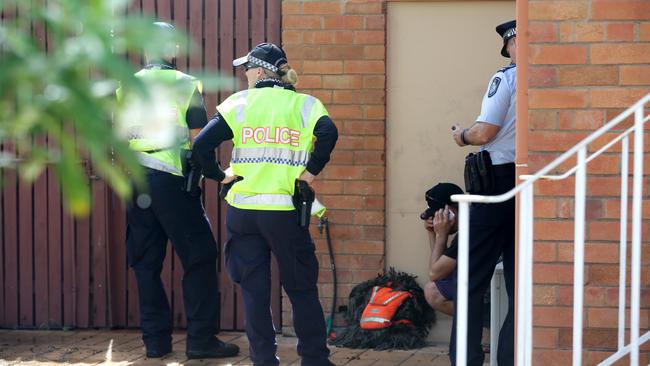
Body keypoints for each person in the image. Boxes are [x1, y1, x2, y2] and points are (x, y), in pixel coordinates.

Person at [192, 43, 338, 366]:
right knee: (301, 289)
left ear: (259, 72)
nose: (244, 74)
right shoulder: (304, 105)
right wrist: (310, 172)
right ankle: (315, 360)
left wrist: (220, 174)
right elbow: (329, 132)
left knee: (254, 293)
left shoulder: (239, 104)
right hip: (286, 214)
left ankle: (263, 360)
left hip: (244, 214)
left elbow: (201, 144)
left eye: (247, 68)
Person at [116, 21, 239, 359]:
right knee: (199, 257)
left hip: (136, 182)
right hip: (172, 181)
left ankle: (155, 344)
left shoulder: (125, 86)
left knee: (145, 263)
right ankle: (201, 341)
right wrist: (215, 174)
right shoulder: (184, 84)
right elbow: (200, 139)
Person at [448, 20, 517, 366]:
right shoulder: (550, 82)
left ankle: (465, 359)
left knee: (471, 280)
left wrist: (462, 135)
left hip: (498, 187)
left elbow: (486, 132)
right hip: (532, 187)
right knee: (521, 288)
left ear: (510, 46)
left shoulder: (506, 78)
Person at [420, 183, 463, 317]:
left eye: (438, 215)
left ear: (451, 212)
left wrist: (441, 236)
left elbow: (435, 273)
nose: (436, 220)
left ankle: (480, 321)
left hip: (490, 290)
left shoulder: (470, 231)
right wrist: (432, 233)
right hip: (482, 286)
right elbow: (440, 268)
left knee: (432, 291)